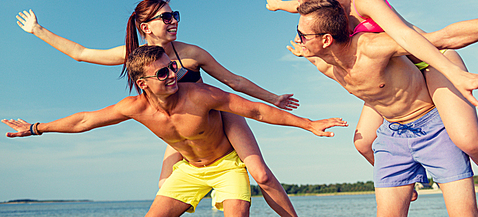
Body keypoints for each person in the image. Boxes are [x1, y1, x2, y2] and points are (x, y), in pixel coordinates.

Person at [16, 0, 299, 217]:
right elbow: (81, 54)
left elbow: (233, 81)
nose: (173, 20)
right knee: (164, 187)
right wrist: (37, 30)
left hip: (218, 116)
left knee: (260, 174)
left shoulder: (191, 53)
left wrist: (272, 97)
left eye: (175, 15)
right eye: (166, 17)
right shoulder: (131, 55)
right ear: (146, 27)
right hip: (180, 125)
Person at [3, 45, 347, 217]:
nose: (172, 76)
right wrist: (35, 128)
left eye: (172, 68)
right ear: (143, 83)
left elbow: (255, 110)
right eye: (163, 74)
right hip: (188, 172)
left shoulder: (200, 95)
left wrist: (308, 124)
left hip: (227, 166)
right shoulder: (135, 107)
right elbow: (84, 121)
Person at [264, 0, 478, 183]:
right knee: (364, 143)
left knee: (469, 141)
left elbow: (407, 36)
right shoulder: (322, 6)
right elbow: (297, 6)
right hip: (394, 74)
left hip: (430, 60)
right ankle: (405, 183)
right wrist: (277, 6)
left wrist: (455, 74)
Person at [292, 0, 478, 216]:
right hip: (392, 138)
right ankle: (404, 182)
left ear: (326, 39)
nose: (299, 39)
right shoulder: (324, 63)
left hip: (434, 129)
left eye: (303, 35)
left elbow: (444, 37)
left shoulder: (372, 47)